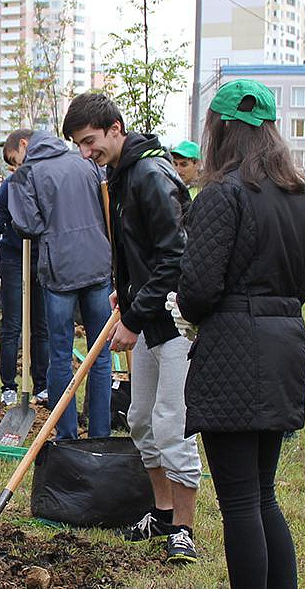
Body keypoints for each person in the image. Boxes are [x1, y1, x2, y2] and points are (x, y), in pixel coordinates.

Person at [170, 80, 305, 589]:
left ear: (221, 129)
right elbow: (304, 281)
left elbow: (199, 288)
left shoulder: (222, 193)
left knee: (239, 502)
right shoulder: (302, 197)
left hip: (234, 350)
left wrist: (184, 307)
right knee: (262, 494)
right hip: (283, 348)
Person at [63, 93, 201, 564]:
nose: (86, 153)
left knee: (172, 424)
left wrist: (135, 316)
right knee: (141, 419)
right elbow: (140, 251)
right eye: (80, 145)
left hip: (177, 321)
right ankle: (162, 513)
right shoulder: (122, 174)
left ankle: (184, 528)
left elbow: (176, 255)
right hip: (148, 313)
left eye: (90, 141)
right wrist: (128, 290)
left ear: (116, 128)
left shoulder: (150, 174)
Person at [5, 128, 113, 440]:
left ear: (24, 145)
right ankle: (100, 435)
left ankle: (66, 436)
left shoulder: (28, 174)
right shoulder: (85, 161)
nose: (15, 165)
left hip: (60, 272)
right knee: (100, 355)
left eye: (15, 159)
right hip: (98, 267)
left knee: (61, 357)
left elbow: (28, 225)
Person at [0, 152, 48, 406]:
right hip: (13, 260)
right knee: (12, 326)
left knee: (41, 327)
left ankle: (41, 386)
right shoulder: (10, 186)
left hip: (40, 260)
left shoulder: (46, 183)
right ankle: (9, 386)